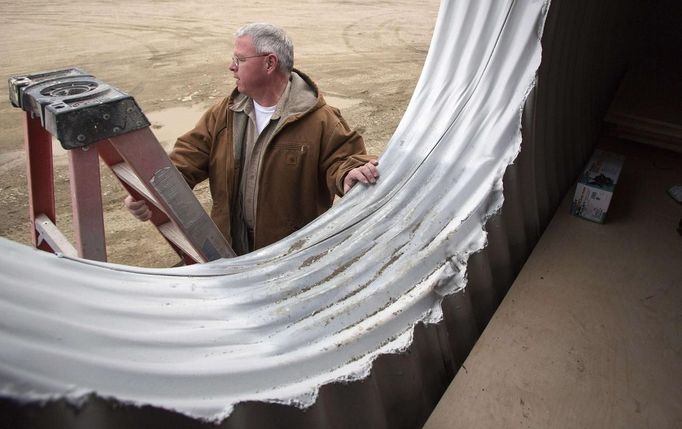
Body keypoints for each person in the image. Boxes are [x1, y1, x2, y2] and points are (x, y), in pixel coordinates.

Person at [125, 23, 379, 255]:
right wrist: (151, 193)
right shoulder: (225, 112)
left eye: (240, 59)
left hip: (290, 258)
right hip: (228, 253)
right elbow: (185, 160)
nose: (231, 66)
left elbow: (345, 160)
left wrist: (351, 173)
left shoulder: (321, 120)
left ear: (269, 64)